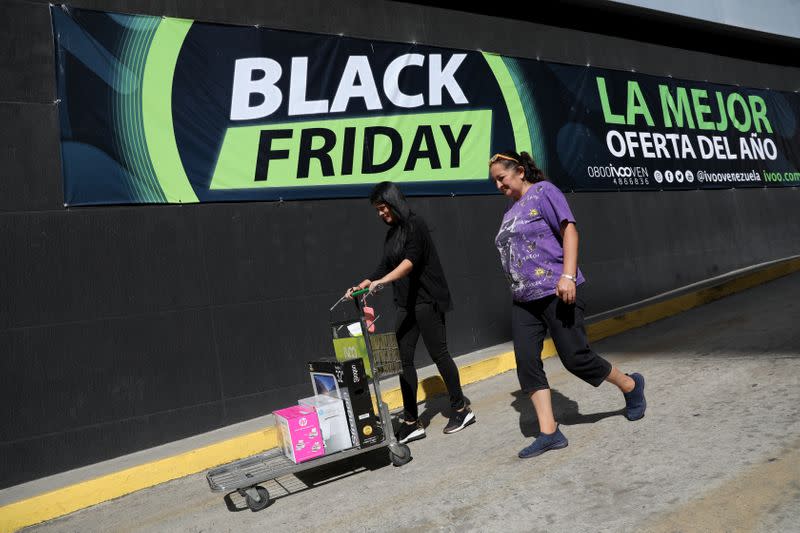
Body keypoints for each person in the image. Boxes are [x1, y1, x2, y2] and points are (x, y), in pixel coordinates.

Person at [489, 150, 646, 459]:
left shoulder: (544, 192)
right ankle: (549, 433)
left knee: (576, 358)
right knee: (526, 361)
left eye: (501, 178)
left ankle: (630, 385)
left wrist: (568, 276)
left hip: (556, 290)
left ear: (519, 171)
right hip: (523, 300)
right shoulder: (510, 211)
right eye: (494, 181)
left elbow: (569, 229)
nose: (498, 186)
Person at [345, 181, 475, 444]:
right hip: (406, 304)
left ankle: (461, 409)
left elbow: (409, 263)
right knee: (402, 359)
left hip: (428, 300)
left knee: (439, 354)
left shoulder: (416, 225)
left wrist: (383, 282)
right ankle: (411, 421)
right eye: (378, 211)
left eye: (383, 208)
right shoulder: (392, 234)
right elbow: (384, 265)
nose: (381, 214)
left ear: (394, 203)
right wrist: (363, 284)